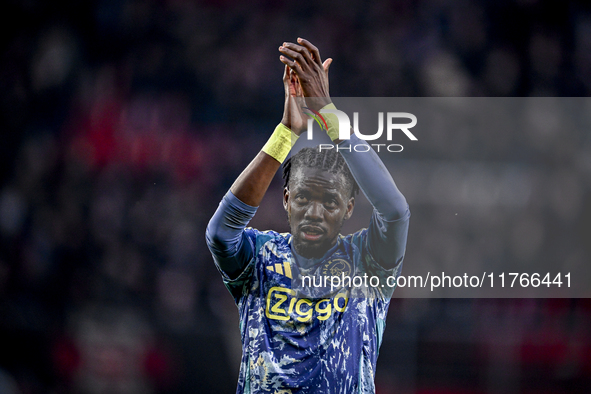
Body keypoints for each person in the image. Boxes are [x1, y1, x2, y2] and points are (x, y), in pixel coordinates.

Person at [206, 38, 410, 394]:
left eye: (330, 202)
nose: (314, 212)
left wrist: (327, 112)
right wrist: (285, 134)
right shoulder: (259, 258)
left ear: (349, 208)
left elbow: (394, 212)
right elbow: (221, 233)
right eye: (302, 197)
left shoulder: (367, 262)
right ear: (286, 199)